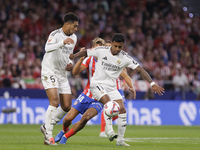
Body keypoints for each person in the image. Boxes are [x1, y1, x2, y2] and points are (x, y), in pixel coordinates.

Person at [69, 33, 165, 146]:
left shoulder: (125, 57)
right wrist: (75, 56)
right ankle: (108, 131)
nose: (117, 49)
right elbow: (86, 52)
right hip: (97, 84)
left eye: (120, 47)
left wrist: (152, 83)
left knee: (122, 110)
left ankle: (120, 141)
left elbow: (140, 69)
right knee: (109, 104)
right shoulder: (101, 50)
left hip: (111, 87)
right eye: (115, 46)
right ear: (112, 44)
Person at [55, 37, 136, 146]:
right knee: (67, 119)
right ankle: (64, 130)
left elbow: (124, 74)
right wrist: (80, 59)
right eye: (95, 48)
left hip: (100, 97)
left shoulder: (111, 61)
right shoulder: (89, 60)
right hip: (87, 93)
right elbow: (75, 72)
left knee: (86, 118)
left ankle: (66, 136)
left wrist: (130, 85)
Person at [40, 12, 79, 145]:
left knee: (67, 105)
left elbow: (70, 55)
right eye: (74, 26)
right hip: (49, 70)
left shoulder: (74, 37)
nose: (76, 29)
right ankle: (48, 136)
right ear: (67, 24)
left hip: (62, 74)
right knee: (54, 102)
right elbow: (47, 48)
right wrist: (62, 43)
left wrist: (71, 64)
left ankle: (46, 126)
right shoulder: (55, 34)